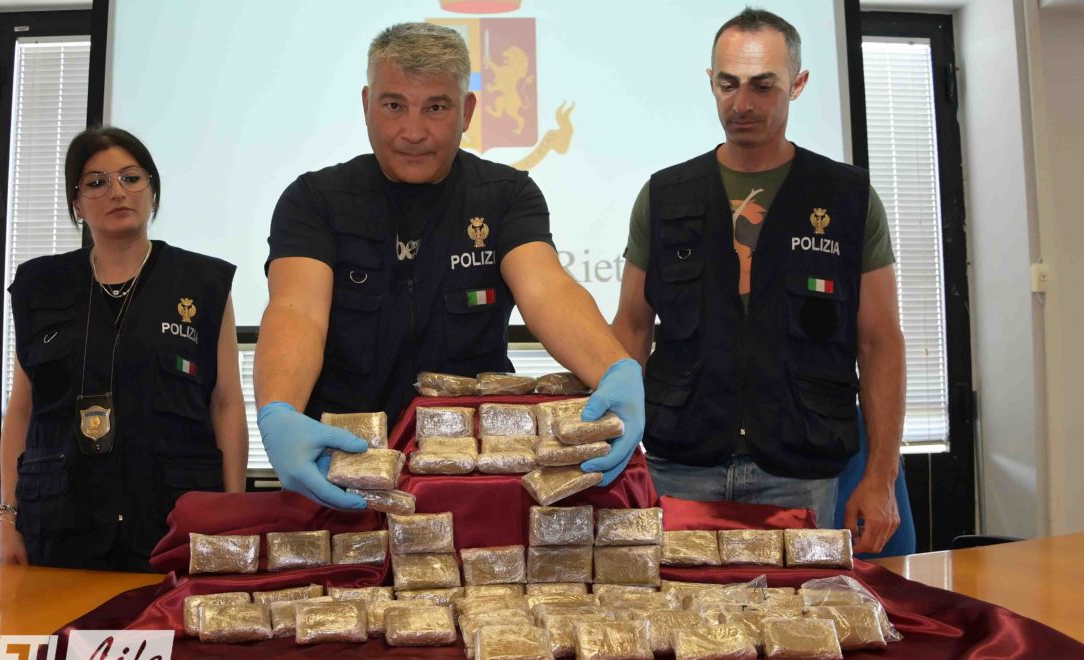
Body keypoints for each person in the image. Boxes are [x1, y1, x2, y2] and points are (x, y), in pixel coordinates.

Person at [255, 22, 644, 510]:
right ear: (366, 104)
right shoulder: (314, 200)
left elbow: (547, 289)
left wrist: (614, 368)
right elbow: (297, 310)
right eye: (394, 106)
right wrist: (279, 411)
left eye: (436, 108)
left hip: (474, 478)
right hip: (339, 467)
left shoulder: (506, 195)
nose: (413, 132)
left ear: (467, 112)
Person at [611, 8, 906, 554]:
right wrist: (615, 450)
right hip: (681, 466)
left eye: (762, 86)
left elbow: (880, 343)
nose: (742, 103)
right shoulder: (664, 195)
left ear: (798, 83)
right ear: (711, 81)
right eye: (728, 84)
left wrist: (881, 477)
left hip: (800, 470)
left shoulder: (846, 198)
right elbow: (631, 328)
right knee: (683, 609)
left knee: (799, 610)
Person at [0, 127, 248, 571]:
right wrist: (8, 518)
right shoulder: (40, 285)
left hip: (174, 520)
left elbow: (226, 403)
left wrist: (232, 515)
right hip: (60, 522)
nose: (117, 192)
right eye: (96, 182)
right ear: (76, 203)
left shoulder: (203, 283)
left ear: (153, 191)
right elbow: (22, 409)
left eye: (131, 178)